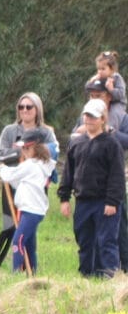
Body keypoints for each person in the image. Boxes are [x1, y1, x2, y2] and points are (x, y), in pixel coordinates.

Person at [58, 98, 125, 278]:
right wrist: (64, 198)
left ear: (103, 119)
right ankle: (87, 276)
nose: (89, 120)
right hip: (83, 201)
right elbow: (68, 172)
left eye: (93, 117)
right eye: (86, 116)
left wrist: (112, 201)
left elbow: (117, 176)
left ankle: (110, 277)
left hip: (104, 201)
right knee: (84, 241)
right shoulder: (77, 143)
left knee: (106, 241)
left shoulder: (111, 144)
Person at [0, 93, 59, 267]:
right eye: (21, 107)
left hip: (34, 185)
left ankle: (26, 269)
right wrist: (17, 155)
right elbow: (1, 153)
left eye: (29, 107)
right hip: (12, 183)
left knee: (27, 231)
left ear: (37, 110)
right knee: (9, 225)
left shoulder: (46, 132)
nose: (25, 110)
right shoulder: (10, 130)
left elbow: (54, 151)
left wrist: (35, 155)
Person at [0, 132, 57, 274]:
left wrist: (3, 169)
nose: (23, 152)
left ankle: (16, 273)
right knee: (29, 244)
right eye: (22, 149)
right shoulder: (38, 165)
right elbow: (18, 182)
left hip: (32, 211)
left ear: (36, 148)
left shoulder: (32, 165)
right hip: (29, 209)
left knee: (18, 241)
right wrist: (7, 173)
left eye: (26, 149)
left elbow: (11, 175)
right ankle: (32, 274)